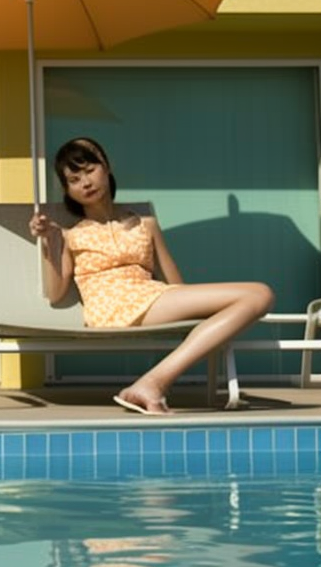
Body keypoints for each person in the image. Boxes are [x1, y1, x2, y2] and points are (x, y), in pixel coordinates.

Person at [30, 136, 273, 415]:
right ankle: (154, 383)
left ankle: (153, 382)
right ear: (67, 191)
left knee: (257, 296)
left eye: (89, 170)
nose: (85, 182)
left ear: (106, 168)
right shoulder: (69, 234)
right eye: (74, 179)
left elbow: (176, 285)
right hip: (111, 306)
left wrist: (206, 306)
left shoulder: (147, 224)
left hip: (151, 296)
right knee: (259, 294)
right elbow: (55, 293)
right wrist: (49, 242)